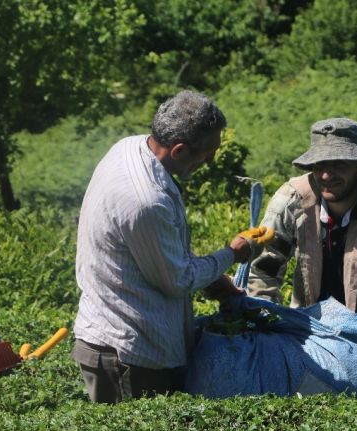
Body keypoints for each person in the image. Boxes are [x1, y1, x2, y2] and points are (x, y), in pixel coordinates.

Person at [72, 90, 272, 403]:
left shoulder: (131, 147)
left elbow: (157, 252)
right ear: (178, 150)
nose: (212, 159)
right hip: (128, 356)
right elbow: (176, 280)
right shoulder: (145, 200)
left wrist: (213, 279)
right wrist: (232, 254)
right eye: (209, 151)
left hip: (134, 346)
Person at [248, 117, 357, 381]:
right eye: (320, 165)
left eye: (339, 165)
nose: (326, 176)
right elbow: (265, 268)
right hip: (310, 333)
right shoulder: (292, 200)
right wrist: (265, 324)